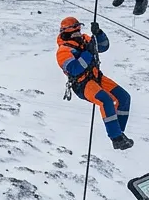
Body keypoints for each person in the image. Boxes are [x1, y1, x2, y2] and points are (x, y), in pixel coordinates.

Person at [55, 16, 133, 150]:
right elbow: (74, 69)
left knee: (124, 97)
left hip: (97, 77)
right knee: (105, 101)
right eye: (75, 31)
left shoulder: (85, 40)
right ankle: (116, 138)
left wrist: (99, 33)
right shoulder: (63, 51)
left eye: (79, 30)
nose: (79, 34)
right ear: (66, 33)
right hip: (82, 84)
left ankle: (119, 133)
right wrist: (88, 53)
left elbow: (103, 46)